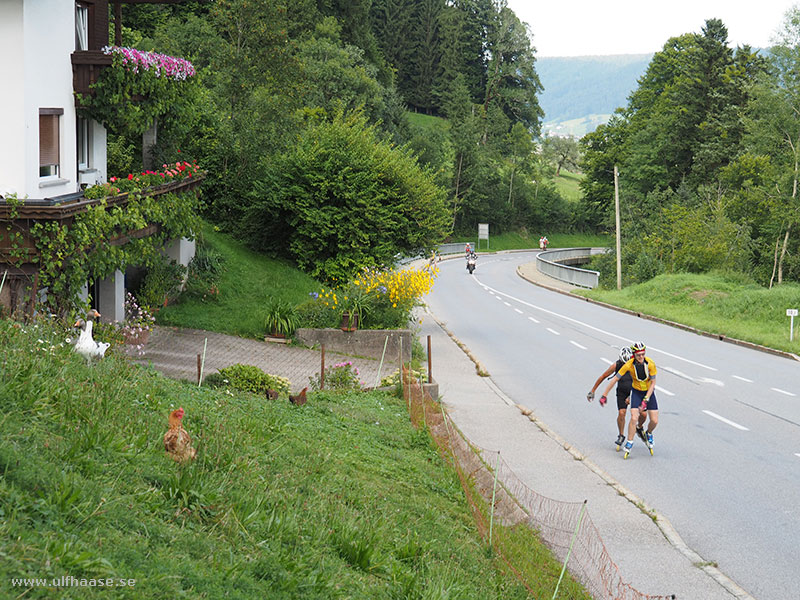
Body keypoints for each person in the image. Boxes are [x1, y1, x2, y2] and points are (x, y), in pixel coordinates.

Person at [598, 341, 658, 459]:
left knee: (654, 421)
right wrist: (604, 394)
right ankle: (630, 442)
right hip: (636, 393)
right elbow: (615, 379)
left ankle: (649, 433)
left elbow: (653, 383)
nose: (641, 357)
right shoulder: (629, 365)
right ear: (634, 355)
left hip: (648, 393)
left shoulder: (650, 364)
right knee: (634, 417)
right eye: (638, 355)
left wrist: (646, 399)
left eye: (643, 354)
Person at [587, 347, 637, 450]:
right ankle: (621, 435)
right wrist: (593, 391)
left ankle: (640, 428)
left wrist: (631, 396)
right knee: (621, 413)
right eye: (624, 364)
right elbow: (603, 376)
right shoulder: (616, 365)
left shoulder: (636, 365)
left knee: (640, 414)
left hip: (634, 391)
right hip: (622, 392)